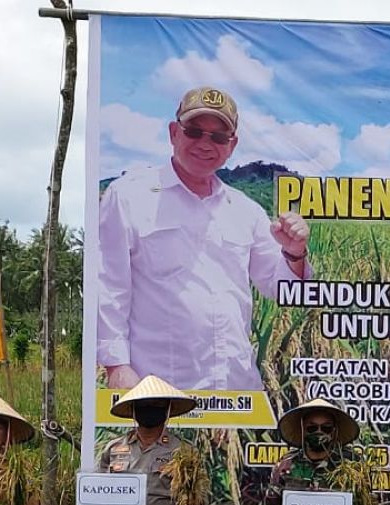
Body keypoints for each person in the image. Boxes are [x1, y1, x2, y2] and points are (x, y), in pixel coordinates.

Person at [96, 85, 312, 391]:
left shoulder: (245, 210)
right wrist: (116, 366)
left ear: (232, 145)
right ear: (174, 133)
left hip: (235, 388)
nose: (205, 144)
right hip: (158, 390)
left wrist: (294, 253)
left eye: (218, 137)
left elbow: (282, 290)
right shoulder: (128, 195)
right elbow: (108, 286)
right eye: (194, 131)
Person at [80, 375, 203, 505]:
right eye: (145, 404)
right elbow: (98, 500)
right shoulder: (114, 449)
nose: (151, 408)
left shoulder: (183, 453)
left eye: (157, 404)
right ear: (134, 410)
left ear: (167, 410)